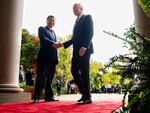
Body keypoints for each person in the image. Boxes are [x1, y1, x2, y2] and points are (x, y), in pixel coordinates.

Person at [58, 3, 94, 104]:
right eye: (72, 8)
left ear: (81, 9)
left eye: (75, 8)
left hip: (84, 50)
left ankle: (87, 97)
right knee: (74, 70)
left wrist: (84, 47)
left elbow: (90, 33)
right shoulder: (76, 22)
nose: (73, 10)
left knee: (84, 72)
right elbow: (73, 39)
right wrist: (62, 44)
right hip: (76, 51)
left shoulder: (87, 17)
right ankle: (85, 94)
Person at [32, 15, 61, 103]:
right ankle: (36, 97)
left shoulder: (54, 33)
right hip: (44, 58)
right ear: (47, 21)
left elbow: (56, 47)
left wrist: (57, 57)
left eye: (54, 21)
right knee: (40, 77)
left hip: (53, 60)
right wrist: (54, 43)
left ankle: (49, 97)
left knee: (50, 79)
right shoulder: (42, 29)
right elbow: (43, 39)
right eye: (51, 20)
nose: (52, 22)